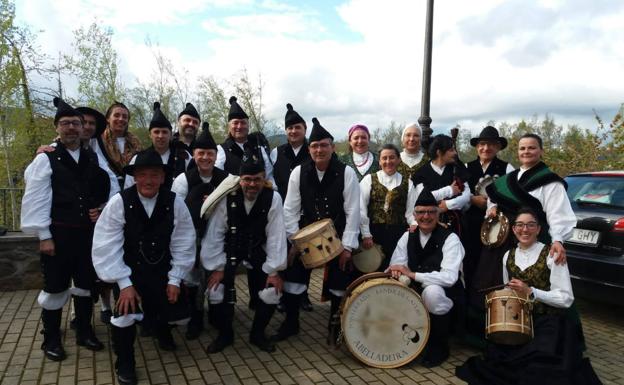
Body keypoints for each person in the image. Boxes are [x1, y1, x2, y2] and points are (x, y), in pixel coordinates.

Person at [455, 207, 601, 385]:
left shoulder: (552, 255)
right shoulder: (508, 256)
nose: (525, 230)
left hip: (549, 321)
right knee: (500, 360)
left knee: (538, 366)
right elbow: (510, 292)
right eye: (520, 225)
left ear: (539, 229)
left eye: (531, 225)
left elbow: (566, 298)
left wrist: (532, 292)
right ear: (514, 229)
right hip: (520, 321)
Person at [92, 149, 195, 385]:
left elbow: (183, 241)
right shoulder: (119, 202)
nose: (149, 180)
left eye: (154, 175)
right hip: (130, 274)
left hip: (162, 271)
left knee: (170, 307)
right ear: (135, 177)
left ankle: (162, 331)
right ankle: (125, 363)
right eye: (143, 174)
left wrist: (175, 278)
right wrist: (124, 284)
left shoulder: (174, 202)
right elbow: (106, 245)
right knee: (125, 314)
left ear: (162, 178)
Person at [21, 98, 110, 361]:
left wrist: (100, 207)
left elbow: (104, 185)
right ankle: (50, 338)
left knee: (84, 285)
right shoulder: (46, 158)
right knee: (55, 288)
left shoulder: (91, 156)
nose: (71, 128)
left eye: (75, 123)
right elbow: (36, 197)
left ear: (83, 128)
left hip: (85, 235)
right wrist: (44, 236)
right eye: (66, 124)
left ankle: (84, 331)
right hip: (57, 236)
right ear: (57, 127)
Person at [278, 118, 360, 344]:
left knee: (338, 281)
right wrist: (294, 241)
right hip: (305, 235)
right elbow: (290, 209)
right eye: (314, 146)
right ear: (309, 149)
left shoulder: (347, 173)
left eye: (324, 145)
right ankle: (291, 322)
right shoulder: (298, 172)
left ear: (332, 148)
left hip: (339, 236)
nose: (319, 150)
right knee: (293, 276)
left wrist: (348, 247)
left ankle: (335, 325)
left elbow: (353, 211)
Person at [201, 153, 287, 353]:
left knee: (272, 291)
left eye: (257, 179)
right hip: (231, 249)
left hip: (258, 249)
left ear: (264, 178)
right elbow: (215, 233)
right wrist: (218, 267)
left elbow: (276, 235)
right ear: (240, 180)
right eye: (247, 179)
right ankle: (225, 335)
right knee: (215, 290)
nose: (252, 184)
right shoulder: (228, 197)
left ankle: (257, 334)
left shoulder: (272, 198)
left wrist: (274, 271)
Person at [387, 189, 465, 367]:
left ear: (438, 213)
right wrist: (397, 271)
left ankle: (439, 346)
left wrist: (413, 275)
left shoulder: (451, 238)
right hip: (415, 288)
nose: (426, 216)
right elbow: (397, 263)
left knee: (432, 292)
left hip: (446, 292)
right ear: (415, 215)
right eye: (421, 212)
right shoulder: (408, 235)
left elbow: (449, 277)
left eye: (431, 212)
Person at [171, 122, 228, 340]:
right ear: (194, 155)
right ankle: (195, 316)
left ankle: (216, 313)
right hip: (191, 235)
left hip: (217, 236)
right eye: (201, 153)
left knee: (216, 275)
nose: (205, 157)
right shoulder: (182, 180)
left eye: (209, 153)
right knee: (192, 278)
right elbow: (177, 213)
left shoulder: (225, 180)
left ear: (215, 155)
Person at [270, 103, 314, 312]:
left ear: (304, 128)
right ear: (285, 130)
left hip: (306, 213)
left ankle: (303, 294)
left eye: (297, 127)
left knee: (306, 255)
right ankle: (282, 296)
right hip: (281, 213)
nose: (294, 131)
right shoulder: (276, 153)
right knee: (284, 254)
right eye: (290, 128)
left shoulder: (312, 151)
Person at [359, 144, 419, 271]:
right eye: (384, 158)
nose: (388, 161)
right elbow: (361, 209)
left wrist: (414, 224)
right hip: (373, 233)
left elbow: (410, 212)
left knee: (394, 272)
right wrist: (366, 234)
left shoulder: (408, 183)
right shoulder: (369, 179)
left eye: (392, 158)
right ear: (379, 161)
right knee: (372, 272)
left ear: (398, 160)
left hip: (398, 234)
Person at [411, 134, 471, 236]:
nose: (455, 153)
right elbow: (422, 198)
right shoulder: (422, 173)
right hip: (429, 225)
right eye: (451, 150)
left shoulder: (457, 168)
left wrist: (448, 205)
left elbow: (467, 195)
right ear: (439, 152)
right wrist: (449, 190)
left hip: (456, 226)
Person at [125, 102, 191, 189]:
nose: (160, 136)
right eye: (156, 132)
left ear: (171, 134)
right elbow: (128, 187)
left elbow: (192, 182)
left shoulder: (183, 155)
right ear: (150, 135)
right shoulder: (138, 159)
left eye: (164, 132)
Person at [96, 101, 143, 189]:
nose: (121, 119)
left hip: (130, 189)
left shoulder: (135, 143)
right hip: (106, 188)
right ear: (108, 119)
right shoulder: (98, 140)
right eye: (116, 115)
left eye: (125, 117)